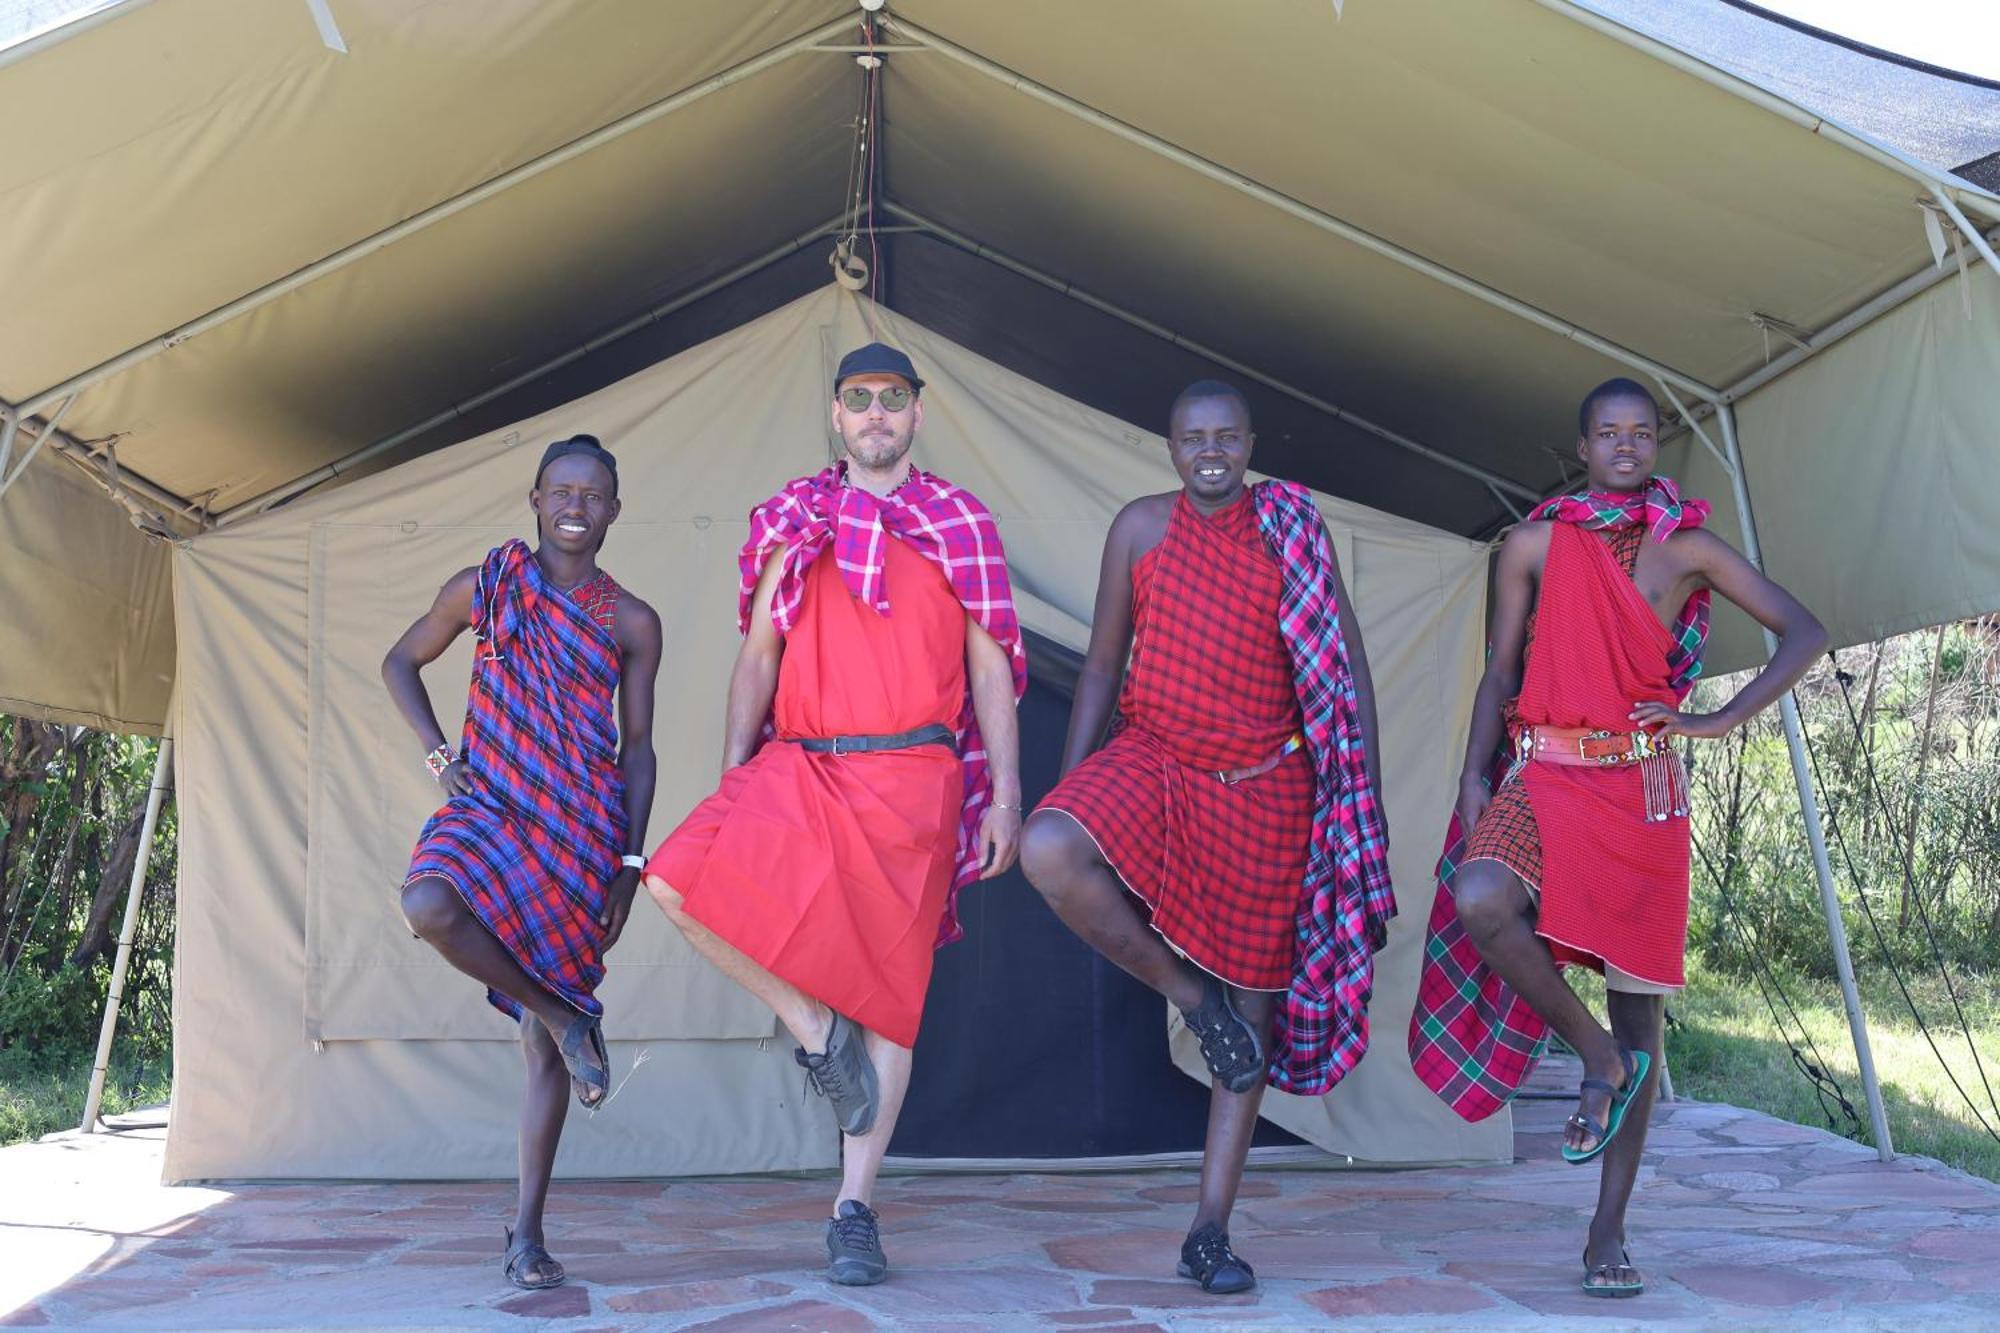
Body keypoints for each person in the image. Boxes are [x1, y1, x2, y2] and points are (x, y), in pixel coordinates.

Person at [1410, 378, 1826, 1298]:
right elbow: (1498, 671)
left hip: (1641, 785)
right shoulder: (1530, 544)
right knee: (1482, 897)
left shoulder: (1689, 549)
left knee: (1643, 1013)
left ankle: (1607, 1235)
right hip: (1545, 770)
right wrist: (1476, 775)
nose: (1627, 447)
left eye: (1642, 434)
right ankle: (1596, 1060)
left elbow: (1804, 631)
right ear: (1583, 445)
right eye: (1610, 433)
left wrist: (1715, 720)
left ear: (1657, 445)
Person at [642, 342, 1025, 1287]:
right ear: (837, 414)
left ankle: (855, 1208)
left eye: (894, 399)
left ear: (917, 415)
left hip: (915, 780)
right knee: (673, 880)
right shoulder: (792, 519)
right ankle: (818, 1037)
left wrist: (1007, 794)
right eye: (860, 399)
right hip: (804, 766)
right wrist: (734, 774)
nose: (877, 414)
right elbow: (758, 659)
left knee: (890, 1001)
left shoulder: (959, 522)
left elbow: (991, 669)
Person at [1020, 380, 1394, 1295]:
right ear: (1172, 447)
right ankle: (1193, 995)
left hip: (1269, 788)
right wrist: (1070, 783)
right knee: (1048, 849)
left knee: (1255, 1017)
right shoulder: (1140, 528)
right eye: (1195, 439)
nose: (1212, 452)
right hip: (1157, 758)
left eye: (1228, 437)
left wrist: (1367, 796)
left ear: (1252, 442)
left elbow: (1346, 671)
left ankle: (1209, 1231)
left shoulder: (1292, 530)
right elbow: (1104, 661)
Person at [384, 435, 663, 1292]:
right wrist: (441, 757)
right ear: (535, 500)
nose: (576, 505)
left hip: (581, 832)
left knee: (541, 1056)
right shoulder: (487, 586)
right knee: (429, 900)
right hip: (491, 809)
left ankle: (527, 1234)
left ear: (615, 510)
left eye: (594, 494)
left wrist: (629, 862)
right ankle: (567, 1013)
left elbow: (641, 748)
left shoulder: (632, 620)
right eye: (562, 490)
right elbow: (400, 661)